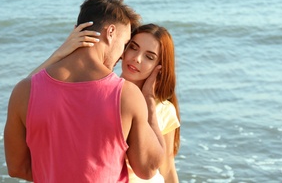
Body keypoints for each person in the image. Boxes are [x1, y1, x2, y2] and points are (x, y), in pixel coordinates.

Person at [4, 0, 166, 182]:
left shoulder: (24, 91)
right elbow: (148, 169)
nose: (122, 55)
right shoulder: (126, 95)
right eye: (125, 44)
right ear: (111, 32)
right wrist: (150, 103)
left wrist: (58, 54)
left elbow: (17, 168)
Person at [32, 22, 181, 182]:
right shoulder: (101, 92)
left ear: (159, 67)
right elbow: (30, 90)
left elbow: (167, 169)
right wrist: (60, 54)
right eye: (133, 48)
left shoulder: (164, 109)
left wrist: (149, 100)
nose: (136, 58)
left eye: (149, 57)